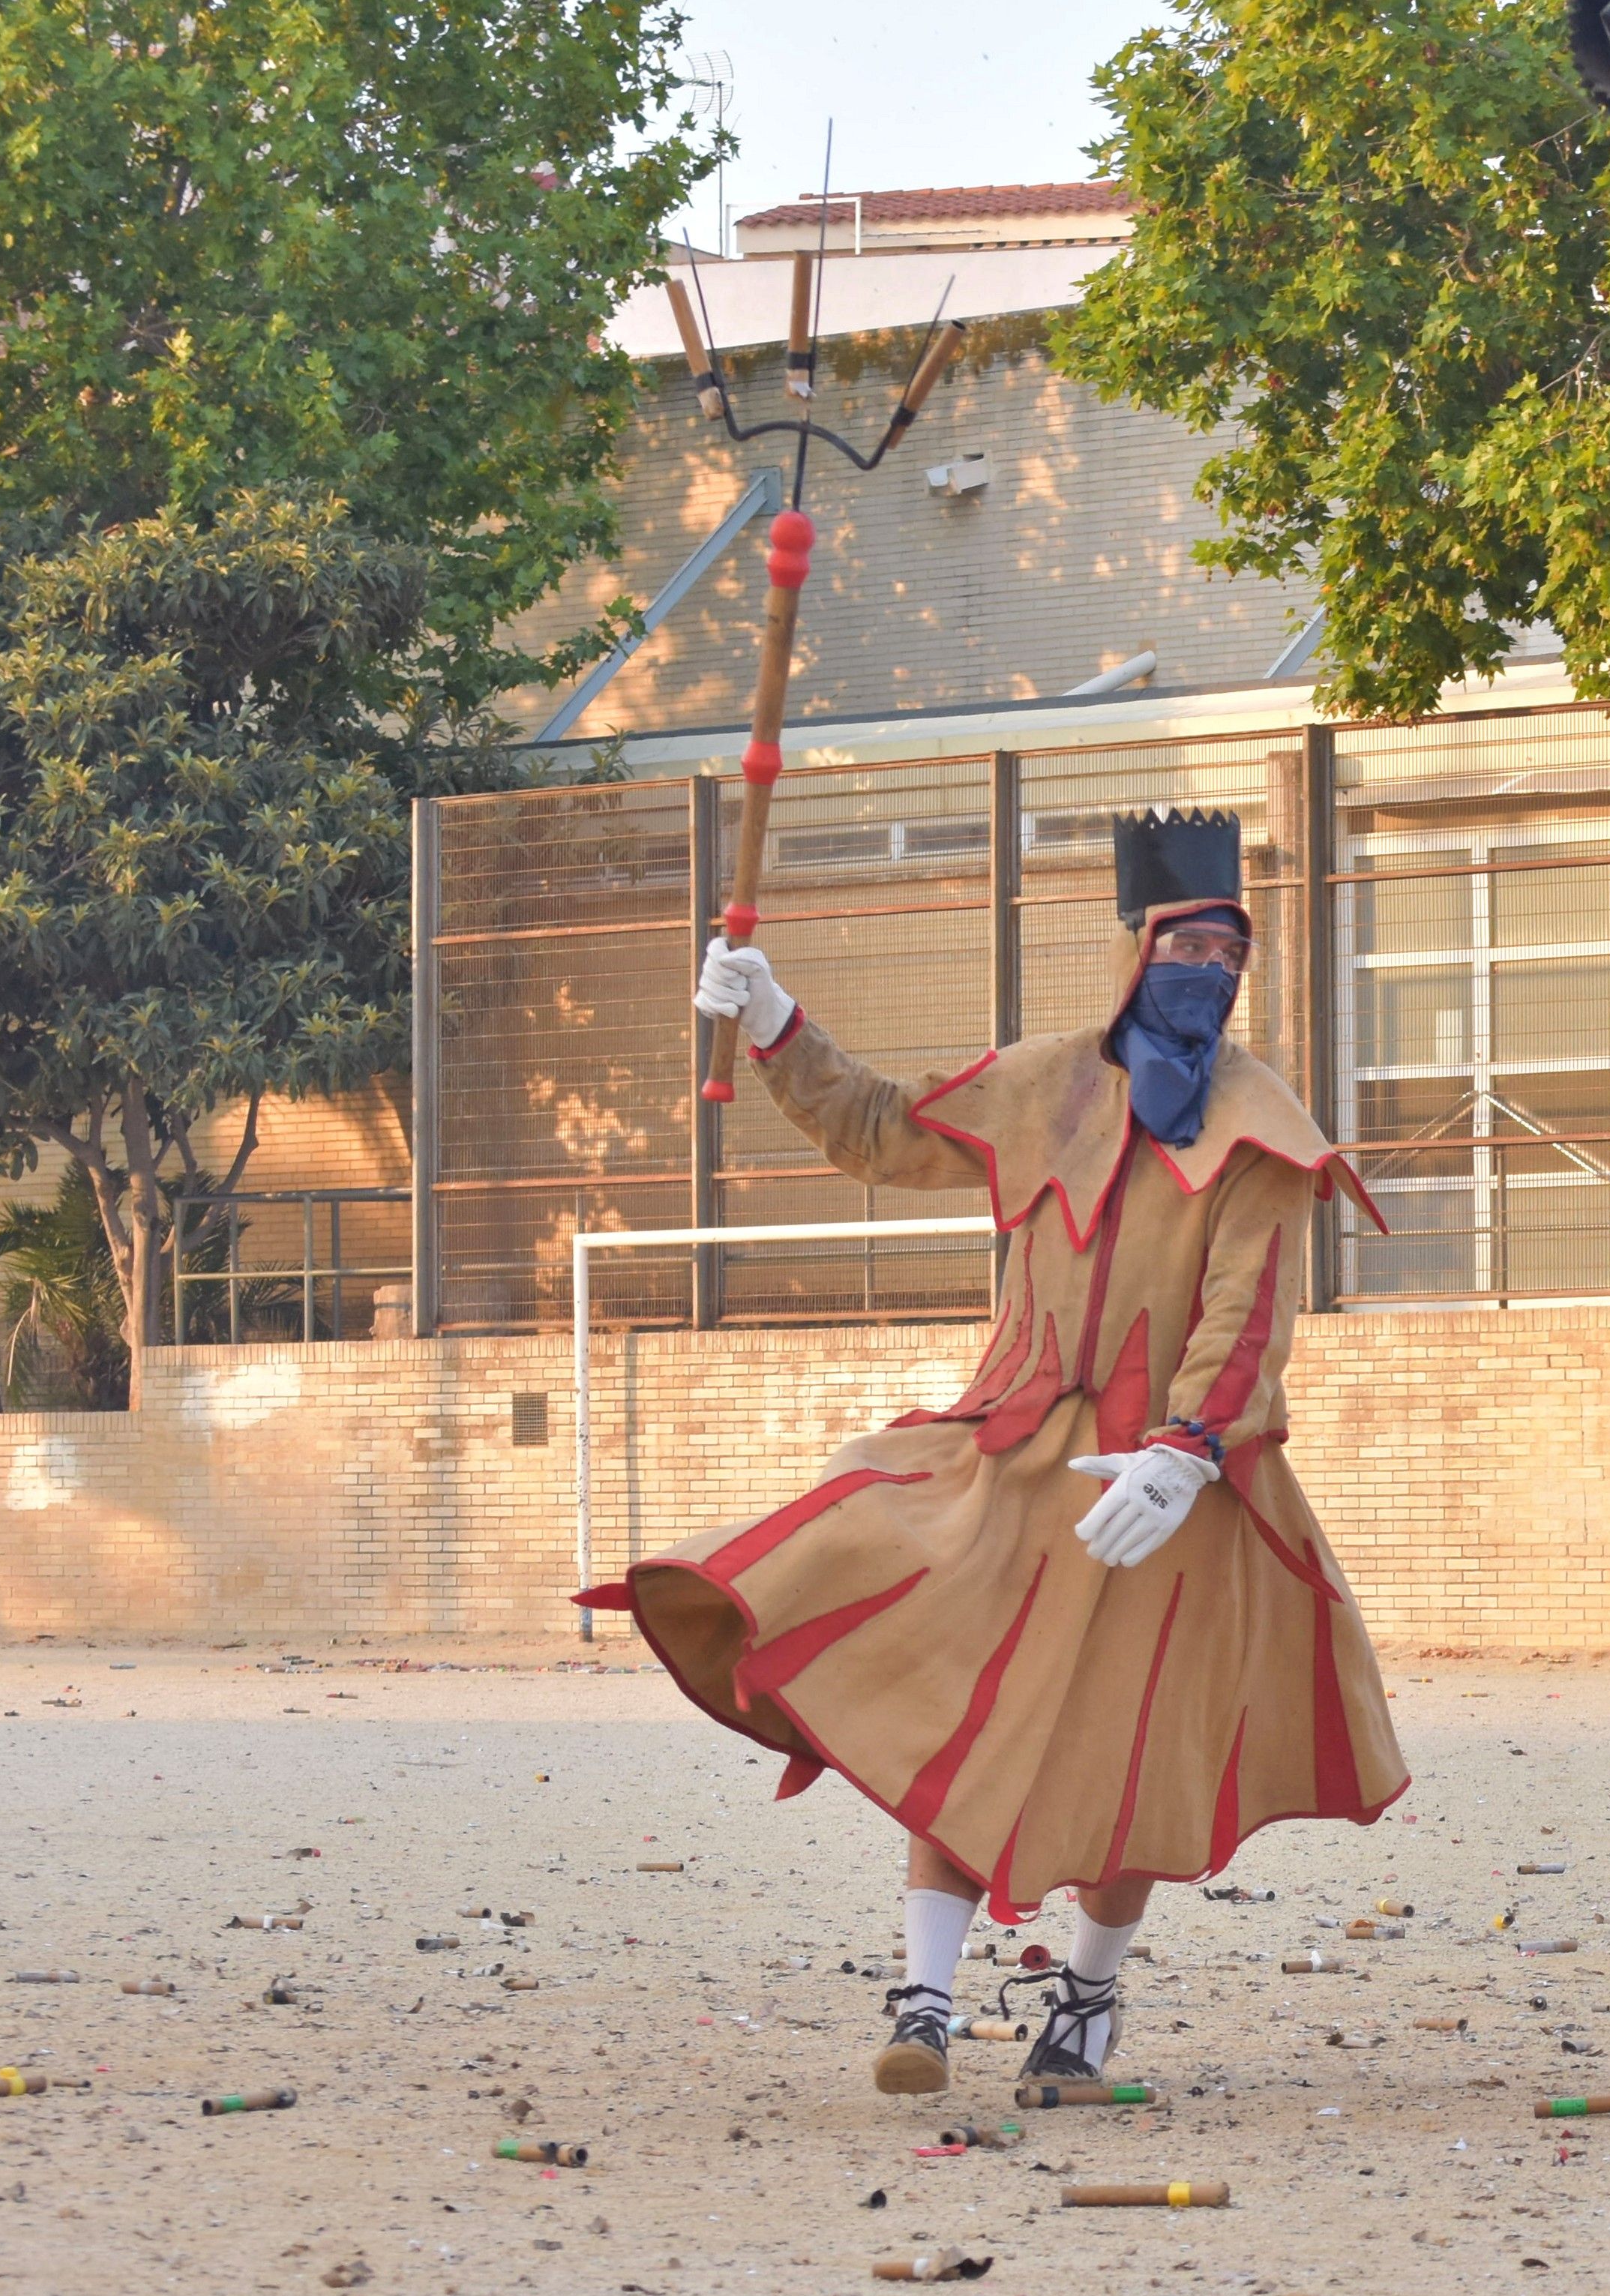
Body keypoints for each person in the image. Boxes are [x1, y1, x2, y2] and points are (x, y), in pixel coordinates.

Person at [585, 809, 1411, 2093]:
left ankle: (1083, 2006)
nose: (1206, 969)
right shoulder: (1043, 1083)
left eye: (1226, 951)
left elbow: (1249, 1311)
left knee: (1138, 1741)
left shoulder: (1263, 1128)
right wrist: (773, 1023)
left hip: (1167, 1487)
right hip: (1011, 1441)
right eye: (1183, 943)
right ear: (1133, 947)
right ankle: (921, 2000)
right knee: (966, 1701)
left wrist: (1185, 1450)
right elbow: (874, 1127)